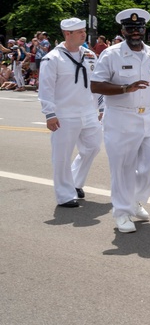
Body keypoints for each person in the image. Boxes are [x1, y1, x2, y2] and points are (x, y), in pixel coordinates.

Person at [90, 9, 150, 233]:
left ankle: (135, 200)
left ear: (144, 30)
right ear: (123, 31)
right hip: (120, 115)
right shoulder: (111, 54)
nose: (135, 32)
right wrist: (125, 88)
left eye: (139, 29)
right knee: (122, 167)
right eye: (131, 29)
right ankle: (121, 212)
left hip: (147, 114)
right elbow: (96, 85)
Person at [38, 17, 104, 208]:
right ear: (68, 34)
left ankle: (74, 182)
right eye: (79, 31)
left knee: (92, 147)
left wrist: (101, 107)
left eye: (84, 30)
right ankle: (64, 195)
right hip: (64, 114)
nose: (84, 34)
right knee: (62, 155)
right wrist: (49, 114)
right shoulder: (53, 58)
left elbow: (97, 83)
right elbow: (46, 88)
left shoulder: (90, 55)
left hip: (88, 112)